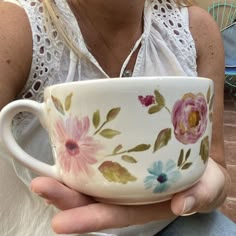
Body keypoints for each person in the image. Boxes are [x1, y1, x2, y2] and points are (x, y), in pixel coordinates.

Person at [0, 0, 235, 235]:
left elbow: (216, 165)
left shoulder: (197, 30)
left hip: (175, 220)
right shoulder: (13, 27)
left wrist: (210, 190)